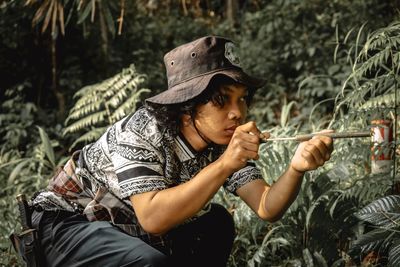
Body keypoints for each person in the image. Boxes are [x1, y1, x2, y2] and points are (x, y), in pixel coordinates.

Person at [31, 36, 333, 267]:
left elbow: (266, 206)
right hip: (67, 224)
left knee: (215, 224)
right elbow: (152, 218)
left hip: (124, 226)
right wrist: (225, 164)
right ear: (187, 108)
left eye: (242, 99)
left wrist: (296, 169)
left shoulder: (223, 139)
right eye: (221, 101)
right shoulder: (140, 132)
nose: (237, 113)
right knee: (147, 262)